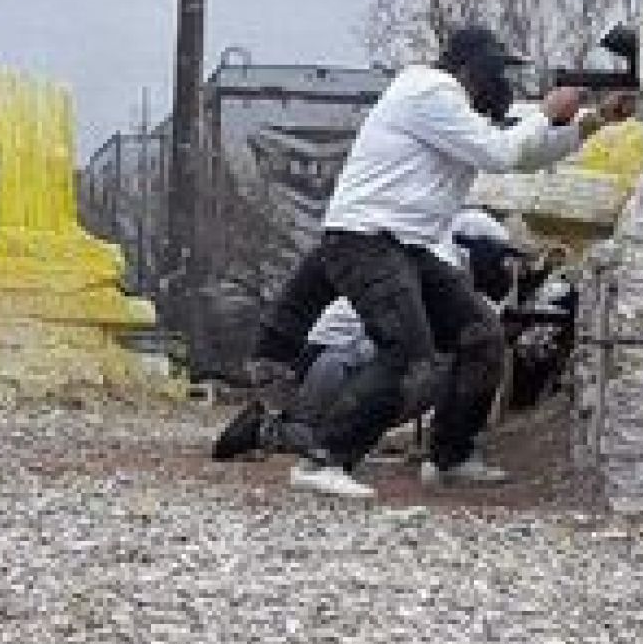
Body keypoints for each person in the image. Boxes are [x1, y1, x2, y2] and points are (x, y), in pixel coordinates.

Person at [222, 25, 599, 497]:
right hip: (365, 240)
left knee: (481, 337)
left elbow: (517, 154)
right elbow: (501, 152)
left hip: (404, 246)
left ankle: (451, 457)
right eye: (498, 71)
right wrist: (547, 113)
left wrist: (579, 128)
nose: (504, 83)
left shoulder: (452, 108)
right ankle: (326, 460)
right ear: (472, 67)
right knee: (405, 353)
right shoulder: (429, 90)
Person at [214, 207, 523, 484]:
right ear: (471, 247)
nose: (502, 267)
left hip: (336, 358)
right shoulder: (440, 262)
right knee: (426, 367)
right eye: (497, 256)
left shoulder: (433, 259)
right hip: (331, 361)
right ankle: (280, 432)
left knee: (426, 362)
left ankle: (307, 431)